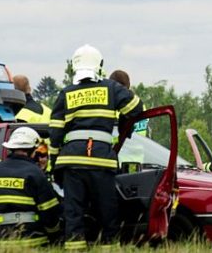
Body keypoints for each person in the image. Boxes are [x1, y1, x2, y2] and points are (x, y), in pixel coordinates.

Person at [49, 44, 143, 250]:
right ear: (99, 66)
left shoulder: (66, 93)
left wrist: (54, 165)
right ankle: (109, 247)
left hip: (71, 162)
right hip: (101, 160)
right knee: (107, 212)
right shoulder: (111, 87)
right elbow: (137, 108)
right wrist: (123, 113)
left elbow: (55, 134)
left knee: (73, 214)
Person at [0, 126, 62, 247]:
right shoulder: (35, 172)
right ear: (32, 149)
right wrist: (55, 235)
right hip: (30, 239)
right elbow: (49, 211)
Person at [110, 69, 148, 138]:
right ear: (128, 86)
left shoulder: (108, 104)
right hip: (140, 146)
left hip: (118, 147)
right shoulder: (138, 105)